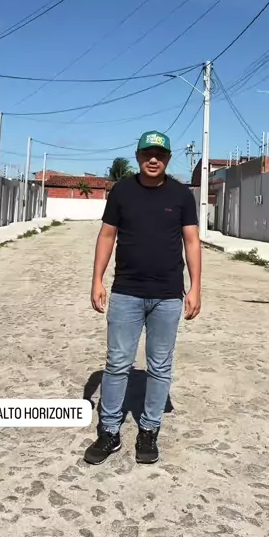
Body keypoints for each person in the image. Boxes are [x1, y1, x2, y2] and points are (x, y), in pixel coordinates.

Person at [84, 130, 201, 466]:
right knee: (117, 363)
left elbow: (192, 241)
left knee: (160, 366)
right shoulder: (122, 191)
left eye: (160, 155)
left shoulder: (181, 195)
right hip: (126, 292)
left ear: (168, 159)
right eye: (147, 154)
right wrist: (97, 280)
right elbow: (107, 235)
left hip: (167, 296)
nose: (153, 159)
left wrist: (195, 286)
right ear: (138, 157)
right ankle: (109, 431)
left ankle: (149, 430)